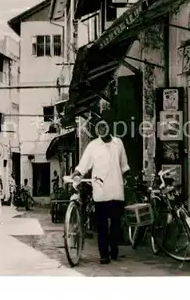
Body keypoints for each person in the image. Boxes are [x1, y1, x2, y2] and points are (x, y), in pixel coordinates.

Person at [71, 109, 130, 265]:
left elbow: (124, 166)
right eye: (99, 128)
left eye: (104, 127)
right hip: (100, 191)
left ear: (109, 127)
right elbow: (84, 164)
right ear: (97, 130)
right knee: (102, 225)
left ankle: (114, 248)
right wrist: (77, 173)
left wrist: (124, 180)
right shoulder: (93, 146)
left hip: (117, 190)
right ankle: (104, 254)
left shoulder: (118, 143)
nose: (102, 130)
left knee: (116, 224)